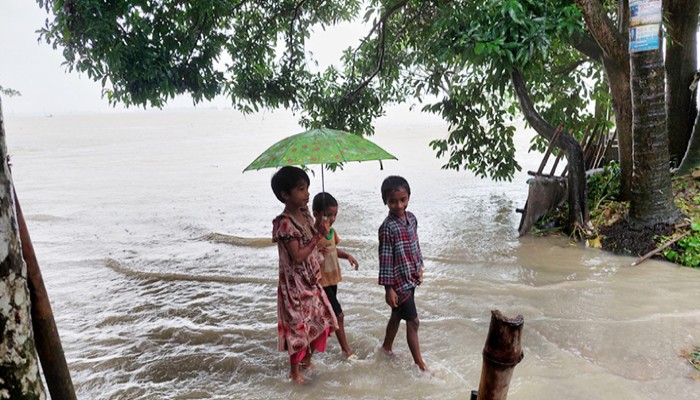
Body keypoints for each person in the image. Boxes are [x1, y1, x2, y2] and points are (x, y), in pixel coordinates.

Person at [271, 166, 338, 384]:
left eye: (307, 188)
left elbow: (313, 238)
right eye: (301, 189)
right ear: (285, 195)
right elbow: (297, 255)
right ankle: (294, 373)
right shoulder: (284, 223)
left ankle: (306, 361)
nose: (307, 194)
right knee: (298, 329)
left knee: (323, 322)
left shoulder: (305, 214)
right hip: (295, 287)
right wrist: (317, 236)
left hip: (311, 281)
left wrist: (320, 226)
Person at [377, 175, 428, 372]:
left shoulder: (412, 219)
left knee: (397, 315)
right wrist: (388, 289)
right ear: (385, 201)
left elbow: (415, 245)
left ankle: (386, 348)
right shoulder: (387, 228)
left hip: (411, 277)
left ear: (408, 198)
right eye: (392, 201)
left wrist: (420, 266)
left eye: (402, 200)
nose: (398, 205)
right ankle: (420, 365)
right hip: (399, 283)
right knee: (413, 322)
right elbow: (386, 260)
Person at [311, 192, 360, 360]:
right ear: (316, 214)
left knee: (329, 313)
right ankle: (346, 350)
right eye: (327, 215)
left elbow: (333, 250)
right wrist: (316, 249)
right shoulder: (312, 234)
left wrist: (347, 256)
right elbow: (307, 255)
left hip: (333, 279)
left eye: (334, 215)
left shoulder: (331, 231)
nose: (331, 219)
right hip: (321, 281)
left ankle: (322, 337)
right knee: (338, 315)